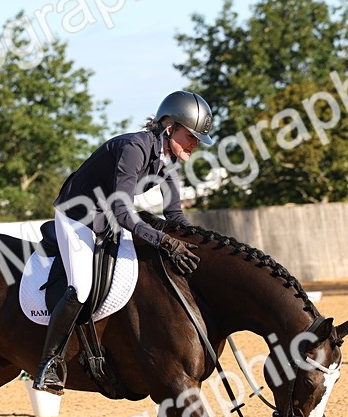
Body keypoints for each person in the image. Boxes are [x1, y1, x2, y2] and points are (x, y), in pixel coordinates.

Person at [31, 90, 216, 394]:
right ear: (169, 128)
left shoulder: (168, 160)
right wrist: (164, 242)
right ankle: (49, 364)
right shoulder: (134, 148)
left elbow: (174, 215)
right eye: (191, 136)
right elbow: (122, 210)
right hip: (78, 217)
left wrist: (201, 244)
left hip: (108, 219)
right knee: (81, 287)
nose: (195, 144)